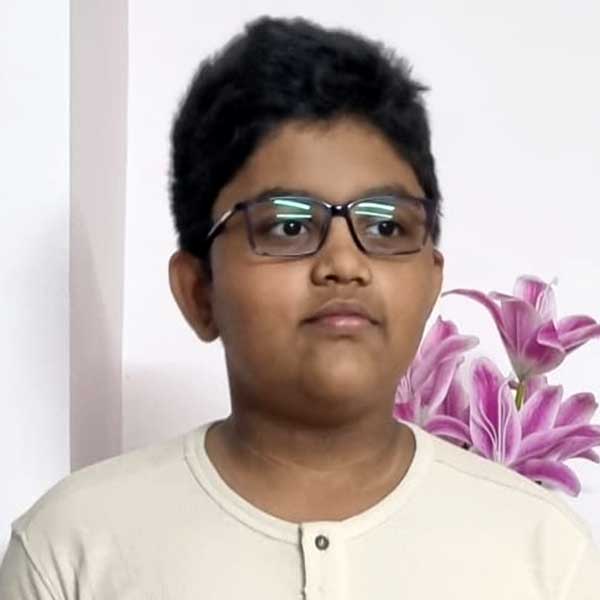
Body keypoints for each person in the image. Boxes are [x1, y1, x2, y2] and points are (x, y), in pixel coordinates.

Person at [1, 14, 599, 599]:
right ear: (199, 292)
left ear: (429, 283)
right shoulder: (72, 549)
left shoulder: (546, 555)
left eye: (385, 226)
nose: (344, 261)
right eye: (288, 225)